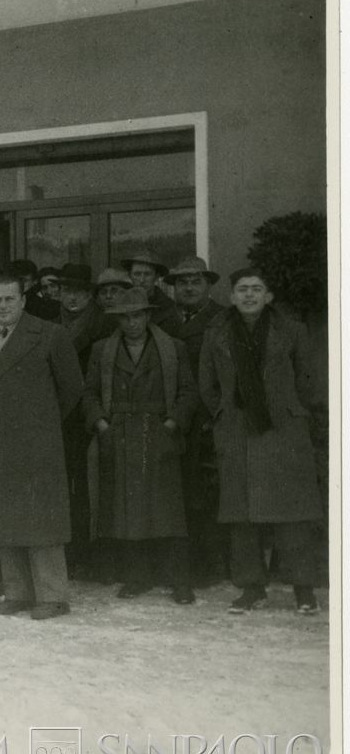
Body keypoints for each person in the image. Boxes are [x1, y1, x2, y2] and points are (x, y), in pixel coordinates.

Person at [0, 275, 83, 620]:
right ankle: (18, 591)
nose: (3, 306)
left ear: (23, 300)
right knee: (3, 515)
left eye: (10, 299)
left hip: (37, 441)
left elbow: (71, 390)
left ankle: (52, 595)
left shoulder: (50, 335)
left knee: (42, 518)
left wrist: (42, 421)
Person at [199, 269, 324, 615]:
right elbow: (207, 385)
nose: (250, 295)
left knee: (293, 513)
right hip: (237, 433)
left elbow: (310, 381)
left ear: (269, 296)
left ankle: (304, 589)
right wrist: (225, 414)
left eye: (257, 289)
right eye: (243, 290)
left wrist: (289, 409)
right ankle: (251, 588)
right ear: (232, 297)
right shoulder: (217, 333)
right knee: (241, 513)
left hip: (283, 432)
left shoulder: (292, 330)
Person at [81, 287, 198, 604]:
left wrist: (172, 422)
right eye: (125, 317)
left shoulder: (173, 348)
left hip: (159, 433)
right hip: (118, 435)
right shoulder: (101, 350)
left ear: (148, 315)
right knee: (126, 509)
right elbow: (88, 394)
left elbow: (188, 392)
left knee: (168, 509)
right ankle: (137, 577)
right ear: (117, 320)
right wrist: (101, 423)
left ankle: (179, 580)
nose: (132, 323)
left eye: (138, 315)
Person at [163, 256, 227, 586]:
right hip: (174, 418)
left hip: (208, 419)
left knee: (207, 493)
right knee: (178, 492)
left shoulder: (221, 319)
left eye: (195, 281)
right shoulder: (165, 321)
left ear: (208, 285)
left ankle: (210, 565)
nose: (188, 287)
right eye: (181, 282)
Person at [55, 263, 115, 577]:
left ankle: (97, 556)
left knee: (95, 484)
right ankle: (71, 551)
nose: (73, 297)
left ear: (90, 295)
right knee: (66, 484)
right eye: (67, 291)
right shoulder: (51, 325)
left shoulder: (104, 325)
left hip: (93, 412)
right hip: (62, 415)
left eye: (80, 291)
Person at [120, 250, 181, 336]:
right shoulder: (121, 304)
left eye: (147, 274)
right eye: (137, 274)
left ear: (156, 276)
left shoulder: (169, 308)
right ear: (130, 276)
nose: (142, 280)